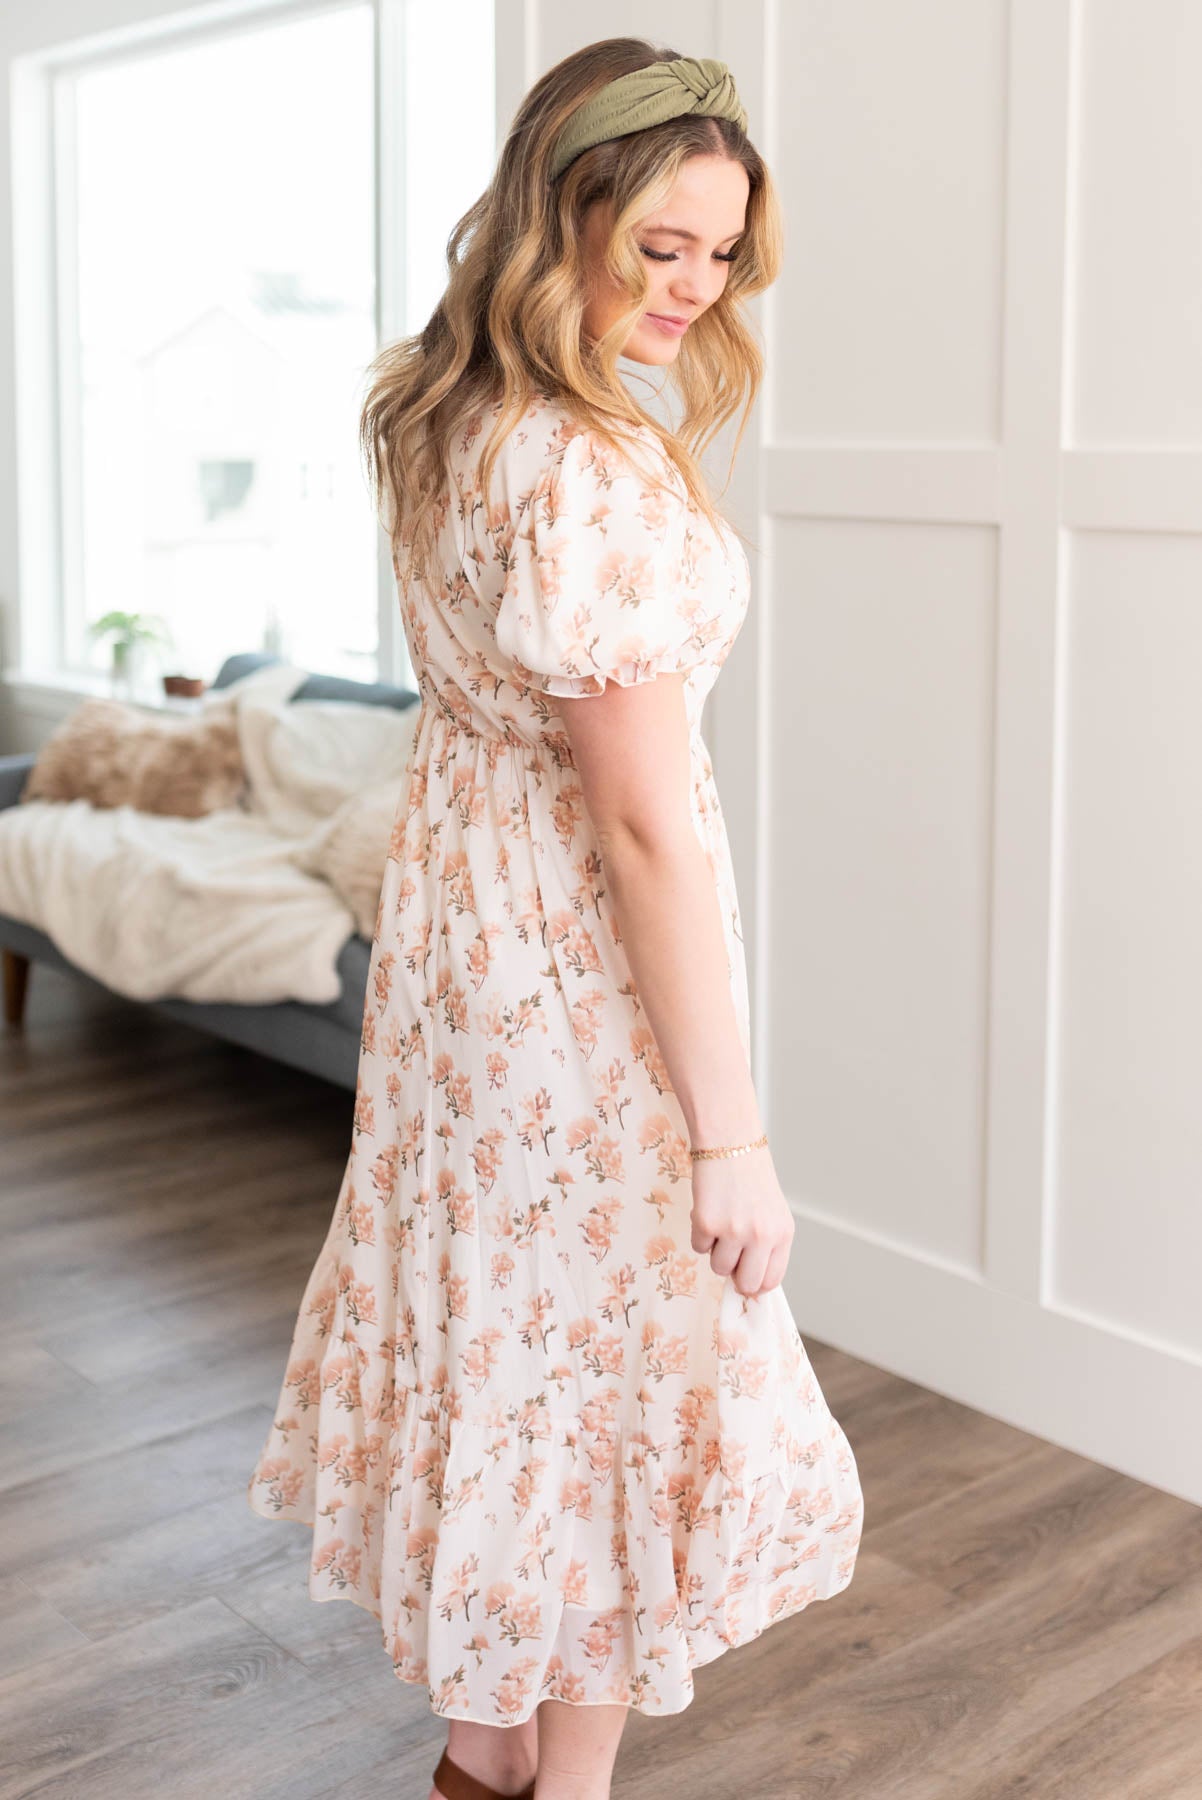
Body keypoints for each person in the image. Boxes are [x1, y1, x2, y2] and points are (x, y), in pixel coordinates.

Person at [246, 37, 863, 1800]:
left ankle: (481, 1758)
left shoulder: (441, 413)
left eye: (720, 251)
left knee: (500, 1332)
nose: (694, 286)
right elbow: (643, 820)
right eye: (657, 244)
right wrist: (728, 1132)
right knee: (611, 1360)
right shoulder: (587, 469)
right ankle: (561, 1785)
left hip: (460, 950)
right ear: (563, 211)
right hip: (574, 969)